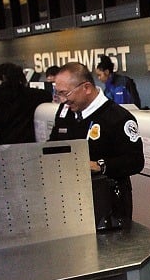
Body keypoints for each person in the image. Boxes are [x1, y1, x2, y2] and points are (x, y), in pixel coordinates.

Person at [49, 62, 144, 220]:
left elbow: (135, 161)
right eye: (58, 93)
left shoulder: (118, 117)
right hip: (71, 200)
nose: (63, 100)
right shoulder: (65, 111)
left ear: (86, 88)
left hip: (109, 204)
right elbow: (54, 143)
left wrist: (99, 166)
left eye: (65, 93)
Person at [0, 63, 48, 144]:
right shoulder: (31, 94)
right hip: (27, 141)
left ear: (3, 76)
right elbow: (47, 95)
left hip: (4, 141)